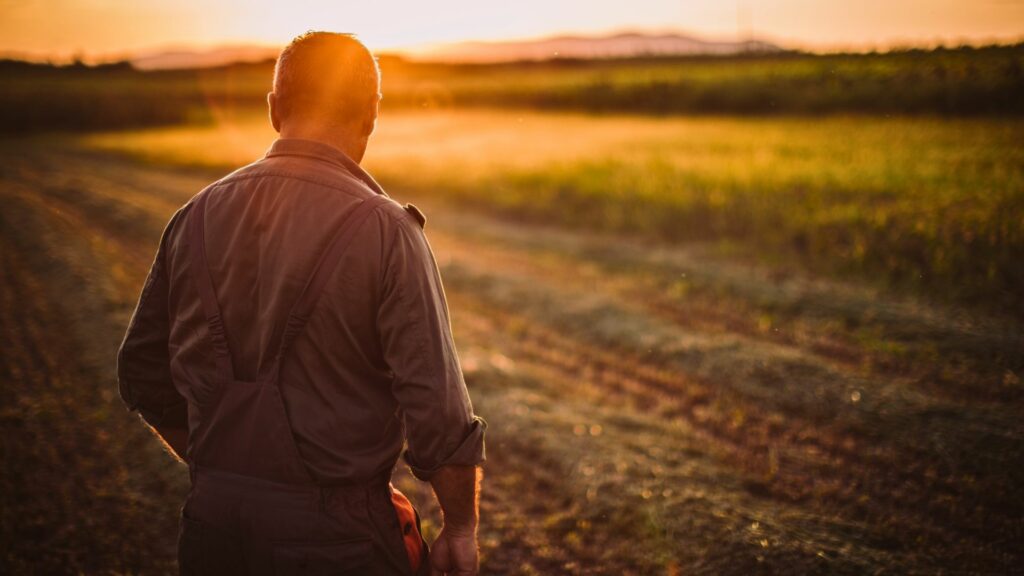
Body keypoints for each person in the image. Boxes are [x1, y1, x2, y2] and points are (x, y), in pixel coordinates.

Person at [117, 31, 486, 576]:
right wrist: (459, 528)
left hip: (211, 529)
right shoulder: (387, 230)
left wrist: (225, 471)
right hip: (339, 543)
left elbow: (143, 375)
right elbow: (437, 410)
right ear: (371, 115)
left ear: (273, 110)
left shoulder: (193, 216)